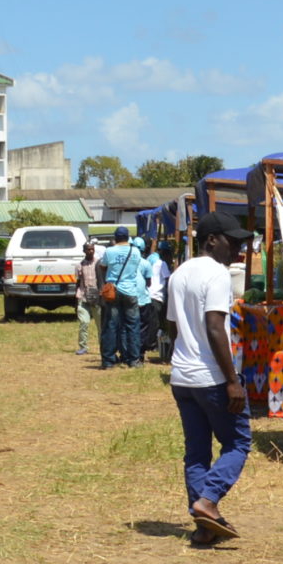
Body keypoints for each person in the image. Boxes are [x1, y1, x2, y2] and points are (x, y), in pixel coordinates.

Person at [169, 212, 254, 543]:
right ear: (211, 240)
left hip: (182, 377)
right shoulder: (217, 274)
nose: (236, 249)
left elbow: (174, 326)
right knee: (238, 441)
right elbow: (216, 327)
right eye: (231, 242)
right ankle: (208, 501)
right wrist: (232, 380)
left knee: (197, 452)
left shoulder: (179, 274)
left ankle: (204, 526)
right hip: (212, 377)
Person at [99, 227, 149, 369]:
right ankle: (134, 360)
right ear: (127, 237)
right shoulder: (136, 251)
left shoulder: (109, 251)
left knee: (111, 325)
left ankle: (108, 361)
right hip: (131, 292)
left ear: (115, 238)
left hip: (113, 292)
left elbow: (102, 267)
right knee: (133, 326)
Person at [74, 241, 98, 357]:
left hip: (97, 297)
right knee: (84, 322)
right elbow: (78, 282)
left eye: (92, 249)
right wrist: (76, 298)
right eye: (88, 249)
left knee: (100, 324)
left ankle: (104, 346)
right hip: (83, 296)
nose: (91, 251)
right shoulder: (80, 265)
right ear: (84, 251)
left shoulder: (99, 263)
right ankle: (83, 346)